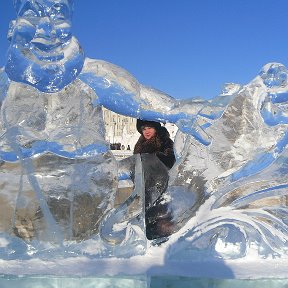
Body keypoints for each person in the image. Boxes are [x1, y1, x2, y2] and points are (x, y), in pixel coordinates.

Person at [133, 119, 176, 240]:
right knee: (145, 218)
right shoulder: (140, 144)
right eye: (144, 129)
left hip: (159, 186)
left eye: (149, 128)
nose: (146, 131)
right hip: (143, 186)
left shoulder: (164, 141)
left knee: (160, 218)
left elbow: (170, 160)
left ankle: (161, 245)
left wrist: (154, 158)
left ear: (156, 128)